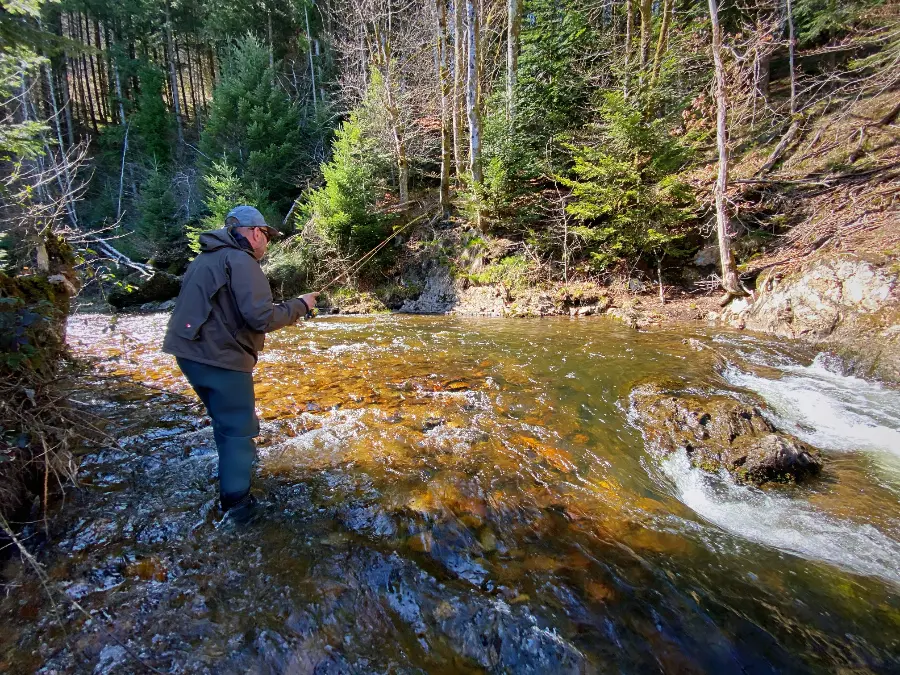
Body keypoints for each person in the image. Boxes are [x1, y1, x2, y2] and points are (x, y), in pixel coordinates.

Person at [162, 205, 318, 521]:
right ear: (255, 232)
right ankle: (237, 508)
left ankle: (239, 470)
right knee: (238, 431)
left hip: (189, 355)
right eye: (267, 236)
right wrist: (300, 305)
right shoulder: (241, 261)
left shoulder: (205, 259)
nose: (267, 243)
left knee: (225, 422)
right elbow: (261, 318)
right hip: (220, 358)